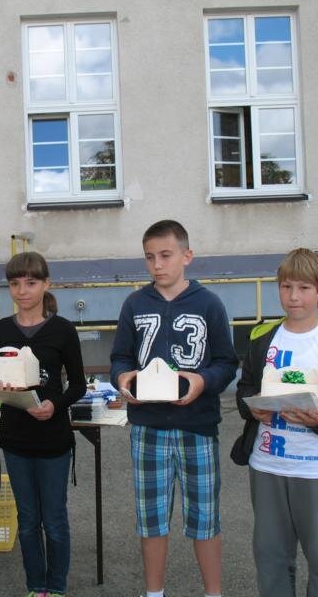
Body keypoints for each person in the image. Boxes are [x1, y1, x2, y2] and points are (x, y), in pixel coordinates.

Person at [110, 220, 238, 597]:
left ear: (187, 256)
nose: (157, 265)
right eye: (149, 257)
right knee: (151, 519)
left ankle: (213, 592)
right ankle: (154, 593)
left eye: (165, 255)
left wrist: (203, 381)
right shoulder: (134, 304)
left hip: (198, 426)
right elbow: (120, 357)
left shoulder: (208, 304)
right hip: (148, 428)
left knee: (204, 518)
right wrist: (122, 378)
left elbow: (226, 362)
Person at [231, 248, 318, 597]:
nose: (294, 297)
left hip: (317, 469)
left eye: (304, 288)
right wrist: (252, 408)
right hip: (267, 464)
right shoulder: (261, 338)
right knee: (271, 559)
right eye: (286, 286)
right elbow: (246, 388)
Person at [0, 252, 85, 597]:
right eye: (14, 283)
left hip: (53, 439)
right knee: (27, 521)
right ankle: (36, 586)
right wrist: (0, 389)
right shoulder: (0, 330)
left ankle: (56, 587)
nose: (22, 290)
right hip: (15, 439)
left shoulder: (62, 330)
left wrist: (54, 405)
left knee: (54, 520)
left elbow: (78, 385)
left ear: (46, 284)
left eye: (30, 283)